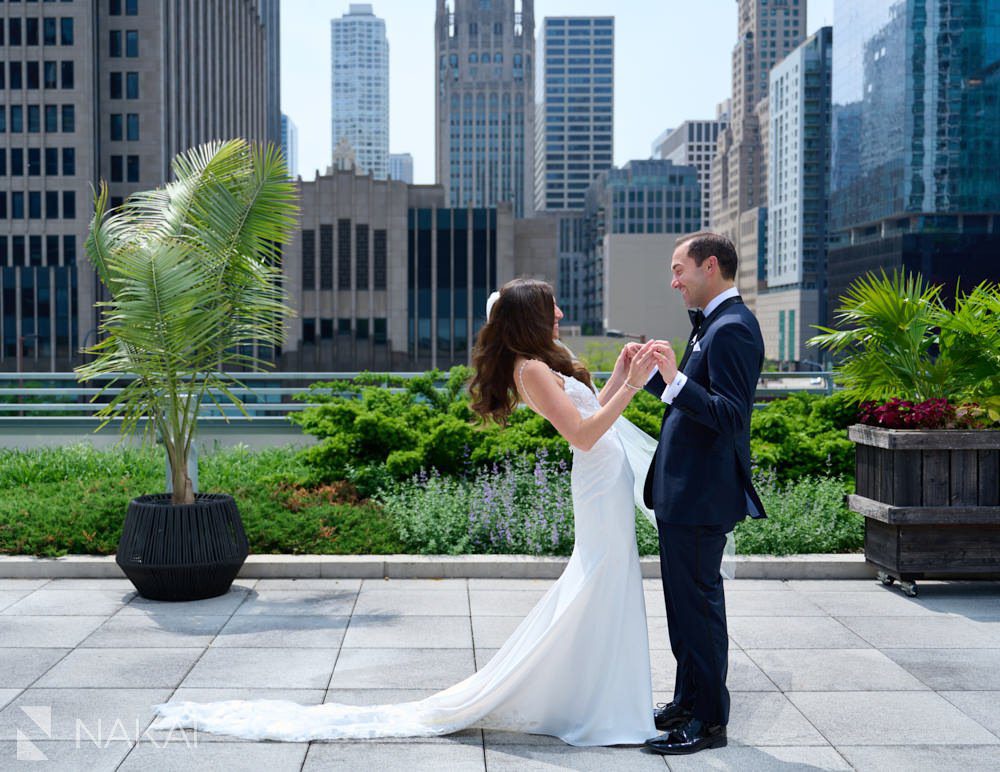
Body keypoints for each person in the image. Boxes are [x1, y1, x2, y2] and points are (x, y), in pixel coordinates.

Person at [152, 277, 664, 746]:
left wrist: (620, 375)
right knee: (600, 579)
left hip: (604, 479)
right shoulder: (529, 369)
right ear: (532, 315)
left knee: (606, 580)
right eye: (552, 309)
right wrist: (637, 385)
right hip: (596, 483)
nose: (559, 316)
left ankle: (599, 697)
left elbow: (594, 413)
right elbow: (582, 433)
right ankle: (592, 702)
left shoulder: (540, 359)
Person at [631, 231, 767, 756]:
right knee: (683, 608)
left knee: (701, 609)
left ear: (710, 266)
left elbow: (730, 416)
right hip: (681, 495)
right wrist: (652, 375)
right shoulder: (709, 327)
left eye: (678, 269)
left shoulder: (733, 328)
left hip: (702, 496)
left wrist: (674, 377)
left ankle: (709, 722)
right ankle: (687, 701)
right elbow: (692, 403)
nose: (674, 281)